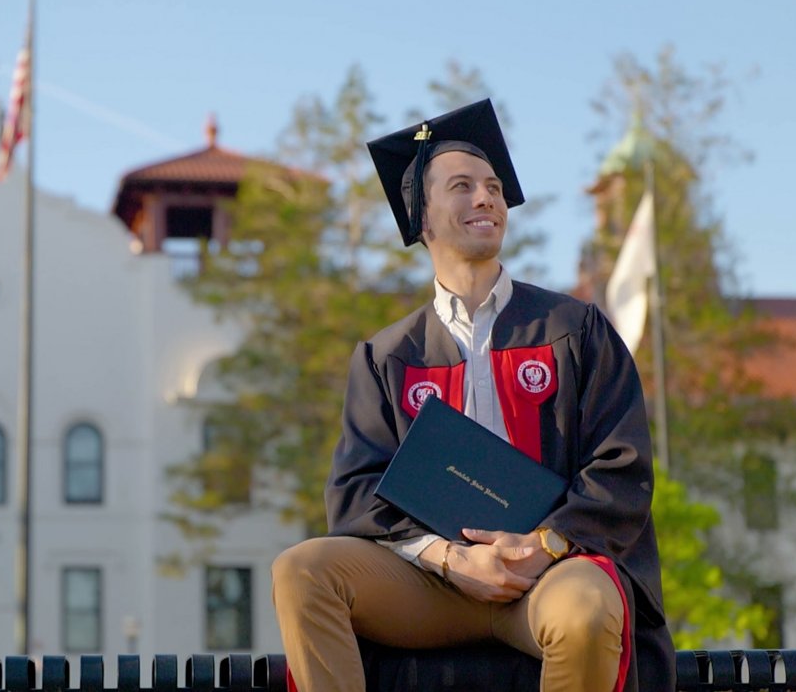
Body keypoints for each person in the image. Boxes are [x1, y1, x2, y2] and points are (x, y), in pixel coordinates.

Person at [271, 100, 674, 692]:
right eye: (461, 187)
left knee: (587, 607)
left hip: (551, 575)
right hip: (432, 584)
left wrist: (542, 548)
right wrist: (450, 559)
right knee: (302, 571)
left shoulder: (575, 330)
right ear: (423, 219)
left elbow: (623, 468)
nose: (485, 198)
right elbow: (357, 494)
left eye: (491, 186)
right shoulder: (388, 358)